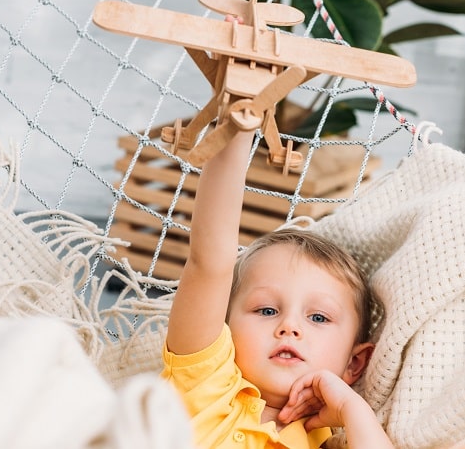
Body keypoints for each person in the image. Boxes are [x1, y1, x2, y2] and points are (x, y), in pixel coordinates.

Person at [161, 124, 393, 448]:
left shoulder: (323, 440)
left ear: (354, 364)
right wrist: (239, 128)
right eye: (267, 310)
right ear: (224, 329)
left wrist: (351, 408)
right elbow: (210, 262)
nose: (289, 327)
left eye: (319, 318)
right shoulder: (204, 382)